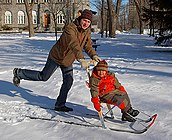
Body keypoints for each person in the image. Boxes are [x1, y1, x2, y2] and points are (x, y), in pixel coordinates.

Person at [13, 9, 101, 112]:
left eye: (88, 22)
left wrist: (94, 55)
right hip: (56, 56)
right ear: (80, 19)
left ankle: (59, 105)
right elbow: (74, 44)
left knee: (68, 81)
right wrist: (81, 58)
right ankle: (19, 73)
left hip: (67, 60)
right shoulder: (70, 28)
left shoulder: (87, 31)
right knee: (44, 77)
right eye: (84, 20)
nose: (86, 23)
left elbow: (87, 46)